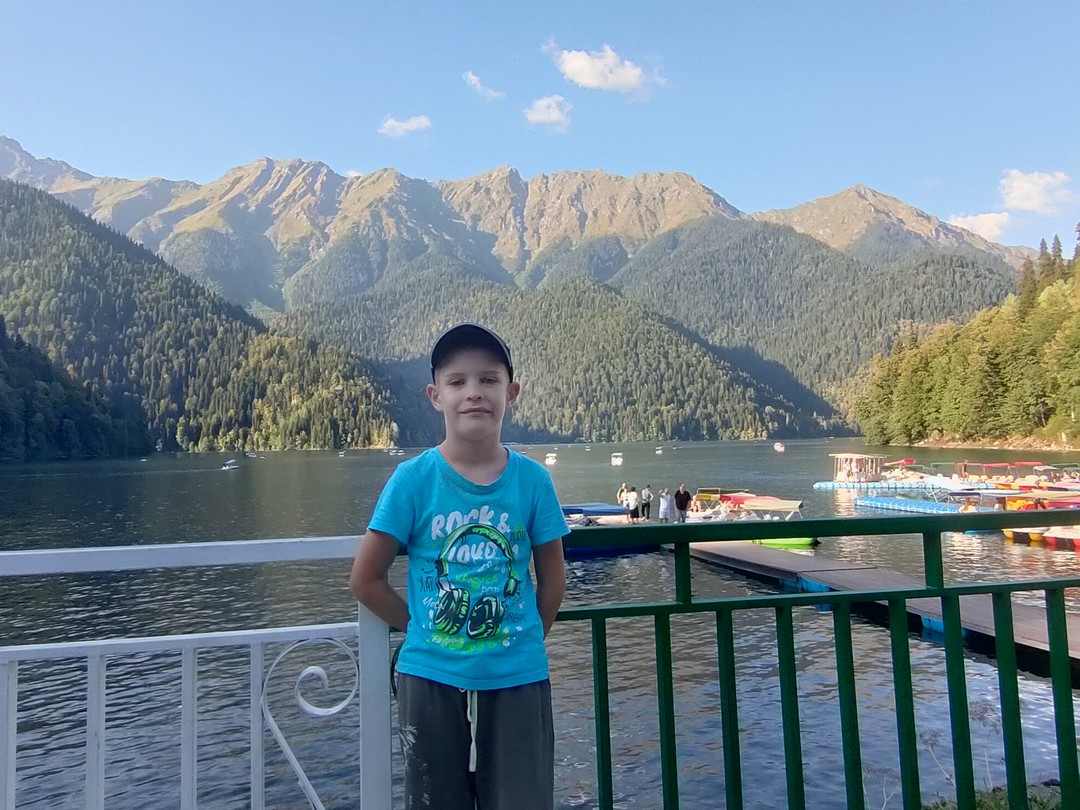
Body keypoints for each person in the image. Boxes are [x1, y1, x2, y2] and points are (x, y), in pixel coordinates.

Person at [349, 323, 568, 810]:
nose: (474, 393)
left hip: (518, 676)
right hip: (430, 675)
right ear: (436, 396)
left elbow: (554, 581)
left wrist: (522, 639)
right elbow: (365, 579)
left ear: (511, 393)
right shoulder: (413, 480)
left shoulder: (533, 482)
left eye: (489, 380)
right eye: (457, 381)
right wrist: (422, 626)